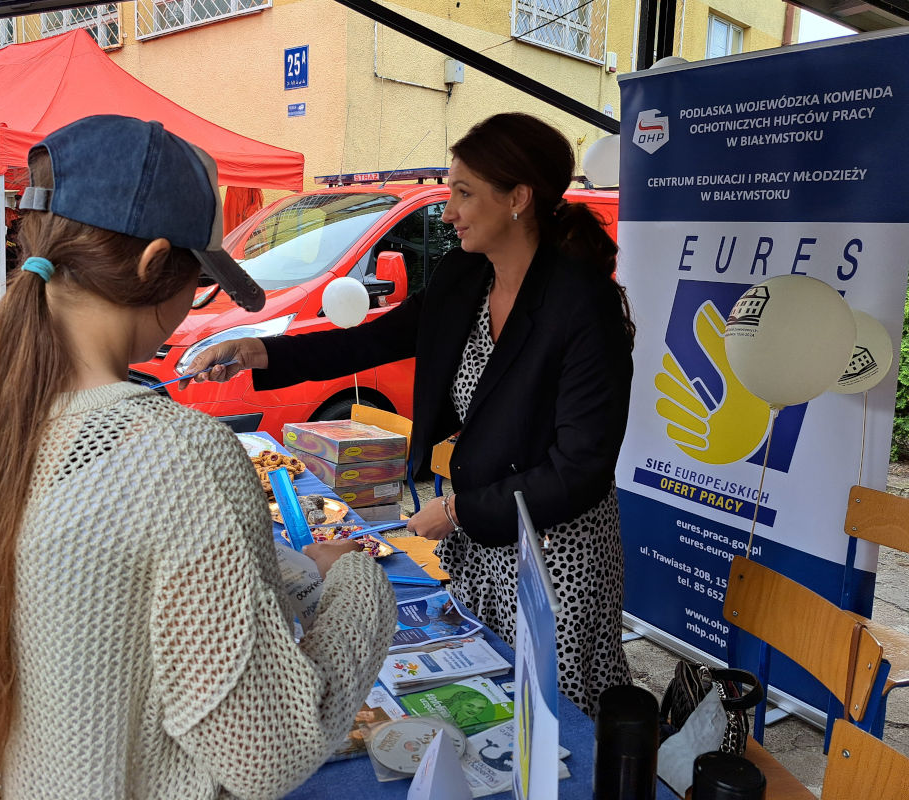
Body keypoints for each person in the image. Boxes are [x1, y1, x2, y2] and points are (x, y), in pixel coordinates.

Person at [0, 115, 396, 800]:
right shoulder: (178, 458)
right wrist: (357, 590)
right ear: (153, 262)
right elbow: (270, 753)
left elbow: (89, 575)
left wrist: (272, 568)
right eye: (197, 278)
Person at [186, 112, 636, 718]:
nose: (448, 211)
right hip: (480, 536)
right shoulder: (466, 276)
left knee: (559, 719)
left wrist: (455, 509)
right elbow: (369, 342)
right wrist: (260, 350)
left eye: (464, 193)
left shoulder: (584, 307)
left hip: (556, 554)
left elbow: (578, 469)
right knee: (489, 704)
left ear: (519, 199)